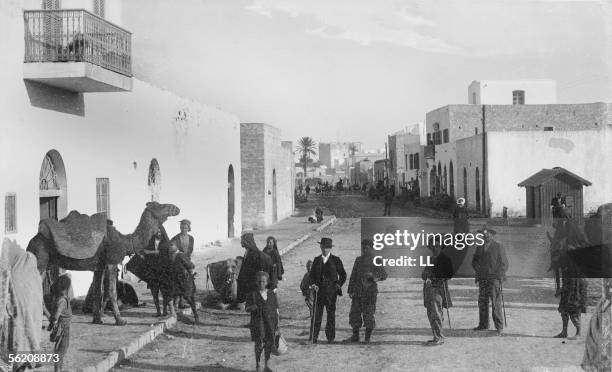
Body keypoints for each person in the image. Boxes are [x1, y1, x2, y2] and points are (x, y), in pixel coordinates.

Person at [346, 239, 387, 343]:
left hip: (370, 292)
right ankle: (355, 336)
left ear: (371, 248)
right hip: (357, 291)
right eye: (363, 247)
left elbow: (384, 275)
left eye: (366, 248)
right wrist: (350, 290)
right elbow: (353, 275)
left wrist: (374, 278)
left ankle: (367, 338)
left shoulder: (376, 259)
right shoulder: (358, 260)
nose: (364, 250)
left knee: (368, 315)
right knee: (354, 314)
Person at [472, 225, 508, 336]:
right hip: (482, 279)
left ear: (492, 235)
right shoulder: (479, 247)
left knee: (495, 304)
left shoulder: (498, 247)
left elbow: (504, 264)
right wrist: (478, 270)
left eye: (488, 233)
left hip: (494, 280)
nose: (485, 235)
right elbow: (474, 261)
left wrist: (499, 276)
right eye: (483, 233)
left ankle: (499, 327)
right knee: (482, 303)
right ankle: (483, 325)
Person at [308, 238, 347, 344]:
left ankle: (330, 338)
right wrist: (313, 284)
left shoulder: (336, 260)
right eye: (323, 246)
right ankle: (313, 338)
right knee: (316, 315)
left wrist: (338, 285)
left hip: (331, 293)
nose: (325, 249)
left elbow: (343, 275)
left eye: (327, 247)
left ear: (330, 248)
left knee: (331, 316)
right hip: (318, 293)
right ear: (320, 247)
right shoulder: (316, 260)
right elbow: (311, 276)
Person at [422, 238, 453, 346]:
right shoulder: (430, 259)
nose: (434, 248)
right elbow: (424, 273)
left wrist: (435, 278)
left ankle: (439, 337)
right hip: (429, 289)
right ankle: (436, 336)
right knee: (431, 313)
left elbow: (449, 274)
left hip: (438, 289)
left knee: (436, 313)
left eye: (437, 245)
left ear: (441, 246)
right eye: (432, 246)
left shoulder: (445, 259)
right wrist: (425, 276)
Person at [246, 271, 279, 372]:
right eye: (259, 281)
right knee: (259, 344)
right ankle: (258, 364)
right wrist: (254, 307)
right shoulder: (253, 294)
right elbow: (247, 308)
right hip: (258, 323)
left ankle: (266, 365)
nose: (261, 283)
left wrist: (278, 325)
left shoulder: (271, 294)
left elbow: (276, 309)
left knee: (269, 343)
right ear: (256, 282)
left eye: (263, 281)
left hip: (270, 323)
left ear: (267, 282)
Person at [553, 251, 587, 339]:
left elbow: (571, 284)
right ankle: (564, 332)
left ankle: (578, 333)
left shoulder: (571, 266)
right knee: (563, 310)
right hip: (570, 288)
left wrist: (560, 290)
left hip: (575, 289)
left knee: (573, 310)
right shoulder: (565, 264)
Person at [237, 233, 276, 304]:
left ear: (247, 242)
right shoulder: (248, 251)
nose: (241, 242)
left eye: (242, 241)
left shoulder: (254, 254)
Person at [167, 241, 199, 323]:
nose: (170, 247)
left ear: (176, 246)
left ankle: (196, 317)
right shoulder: (170, 256)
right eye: (169, 246)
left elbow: (191, 266)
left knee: (189, 299)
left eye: (172, 245)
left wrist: (191, 275)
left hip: (184, 281)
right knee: (170, 295)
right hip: (176, 281)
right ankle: (174, 312)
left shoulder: (180, 255)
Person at [48, 274, 72, 372]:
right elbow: (55, 317)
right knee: (59, 355)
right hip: (62, 332)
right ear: (67, 287)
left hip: (63, 331)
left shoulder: (63, 299)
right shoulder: (63, 300)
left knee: (59, 354)